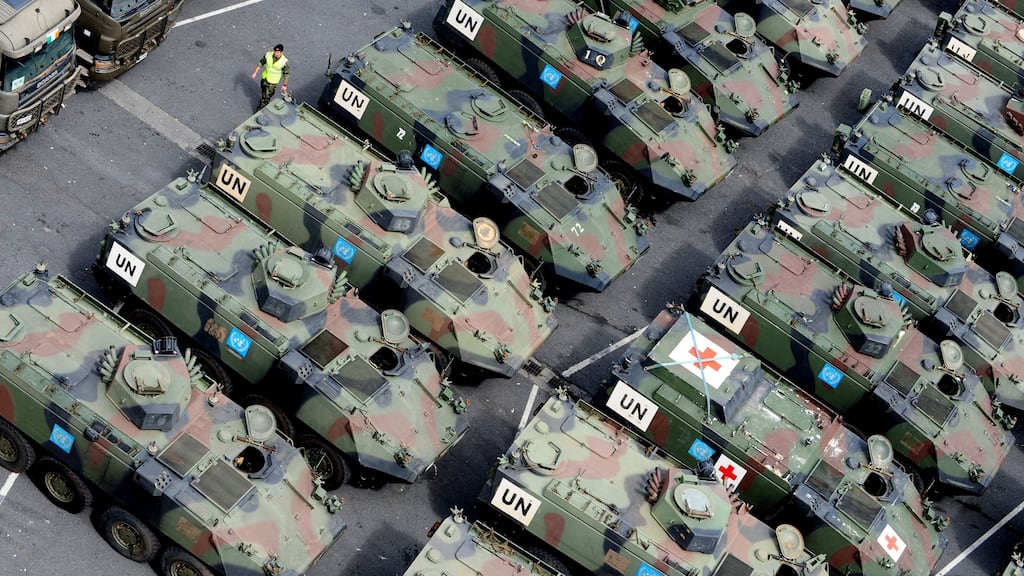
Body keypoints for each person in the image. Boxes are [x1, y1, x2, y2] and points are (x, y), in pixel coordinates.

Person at [251, 44, 289, 111]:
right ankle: (263, 101)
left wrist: (284, 85)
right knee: (264, 93)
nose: (276, 53)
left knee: (266, 98)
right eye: (275, 51)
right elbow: (260, 63)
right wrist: (255, 73)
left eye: (278, 52)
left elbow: (286, 74)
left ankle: (259, 111)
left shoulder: (284, 62)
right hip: (264, 79)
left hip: (272, 83)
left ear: (281, 52)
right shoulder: (268, 55)